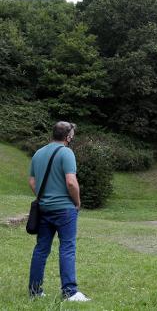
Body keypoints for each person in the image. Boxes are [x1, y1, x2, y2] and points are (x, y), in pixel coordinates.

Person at [28, 122, 90, 301]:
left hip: (44, 209)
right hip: (64, 210)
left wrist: (43, 197)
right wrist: (77, 202)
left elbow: (32, 181)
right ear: (68, 136)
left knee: (41, 249)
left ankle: (34, 291)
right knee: (67, 248)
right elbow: (71, 182)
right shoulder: (66, 153)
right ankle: (70, 292)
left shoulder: (38, 153)